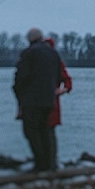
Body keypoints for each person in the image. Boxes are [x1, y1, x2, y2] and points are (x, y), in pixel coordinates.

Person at [13, 28, 63, 173]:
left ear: (30, 39)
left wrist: (18, 92)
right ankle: (49, 164)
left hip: (31, 100)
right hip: (48, 100)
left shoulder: (29, 53)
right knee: (44, 131)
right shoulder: (53, 53)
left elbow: (21, 77)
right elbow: (58, 75)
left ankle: (40, 164)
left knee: (31, 132)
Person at [44, 37, 72, 171]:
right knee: (46, 132)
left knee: (48, 131)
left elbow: (67, 81)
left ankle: (50, 161)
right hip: (49, 101)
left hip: (51, 102)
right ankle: (48, 161)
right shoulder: (56, 62)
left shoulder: (56, 63)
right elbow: (67, 80)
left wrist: (63, 89)